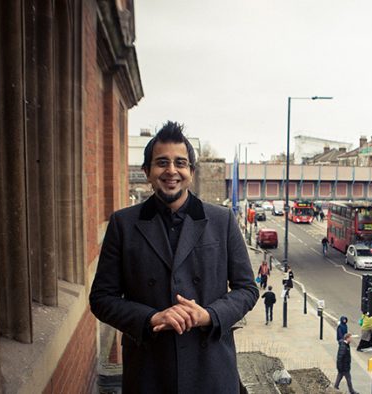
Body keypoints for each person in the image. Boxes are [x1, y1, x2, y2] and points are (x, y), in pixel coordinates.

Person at [89, 121, 259, 393]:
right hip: (150, 372)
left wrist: (209, 315)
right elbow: (101, 299)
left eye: (180, 163)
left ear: (191, 171)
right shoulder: (123, 224)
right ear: (147, 171)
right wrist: (151, 319)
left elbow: (247, 289)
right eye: (161, 163)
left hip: (211, 370)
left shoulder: (221, 220)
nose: (171, 171)